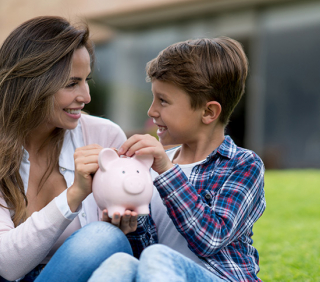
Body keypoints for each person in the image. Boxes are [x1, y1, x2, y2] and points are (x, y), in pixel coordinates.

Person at [89, 37, 266, 281]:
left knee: (158, 256)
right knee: (121, 262)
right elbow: (145, 253)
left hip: (220, 277)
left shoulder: (244, 165)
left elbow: (211, 238)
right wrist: (130, 226)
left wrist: (167, 170)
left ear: (208, 112)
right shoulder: (151, 168)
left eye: (163, 100)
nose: (151, 111)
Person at [0, 16, 137, 282]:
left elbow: (118, 246)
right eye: (72, 83)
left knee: (105, 239)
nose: (85, 96)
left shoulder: (104, 135)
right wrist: (74, 195)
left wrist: (123, 226)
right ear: (32, 84)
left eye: (87, 80)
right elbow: (6, 264)